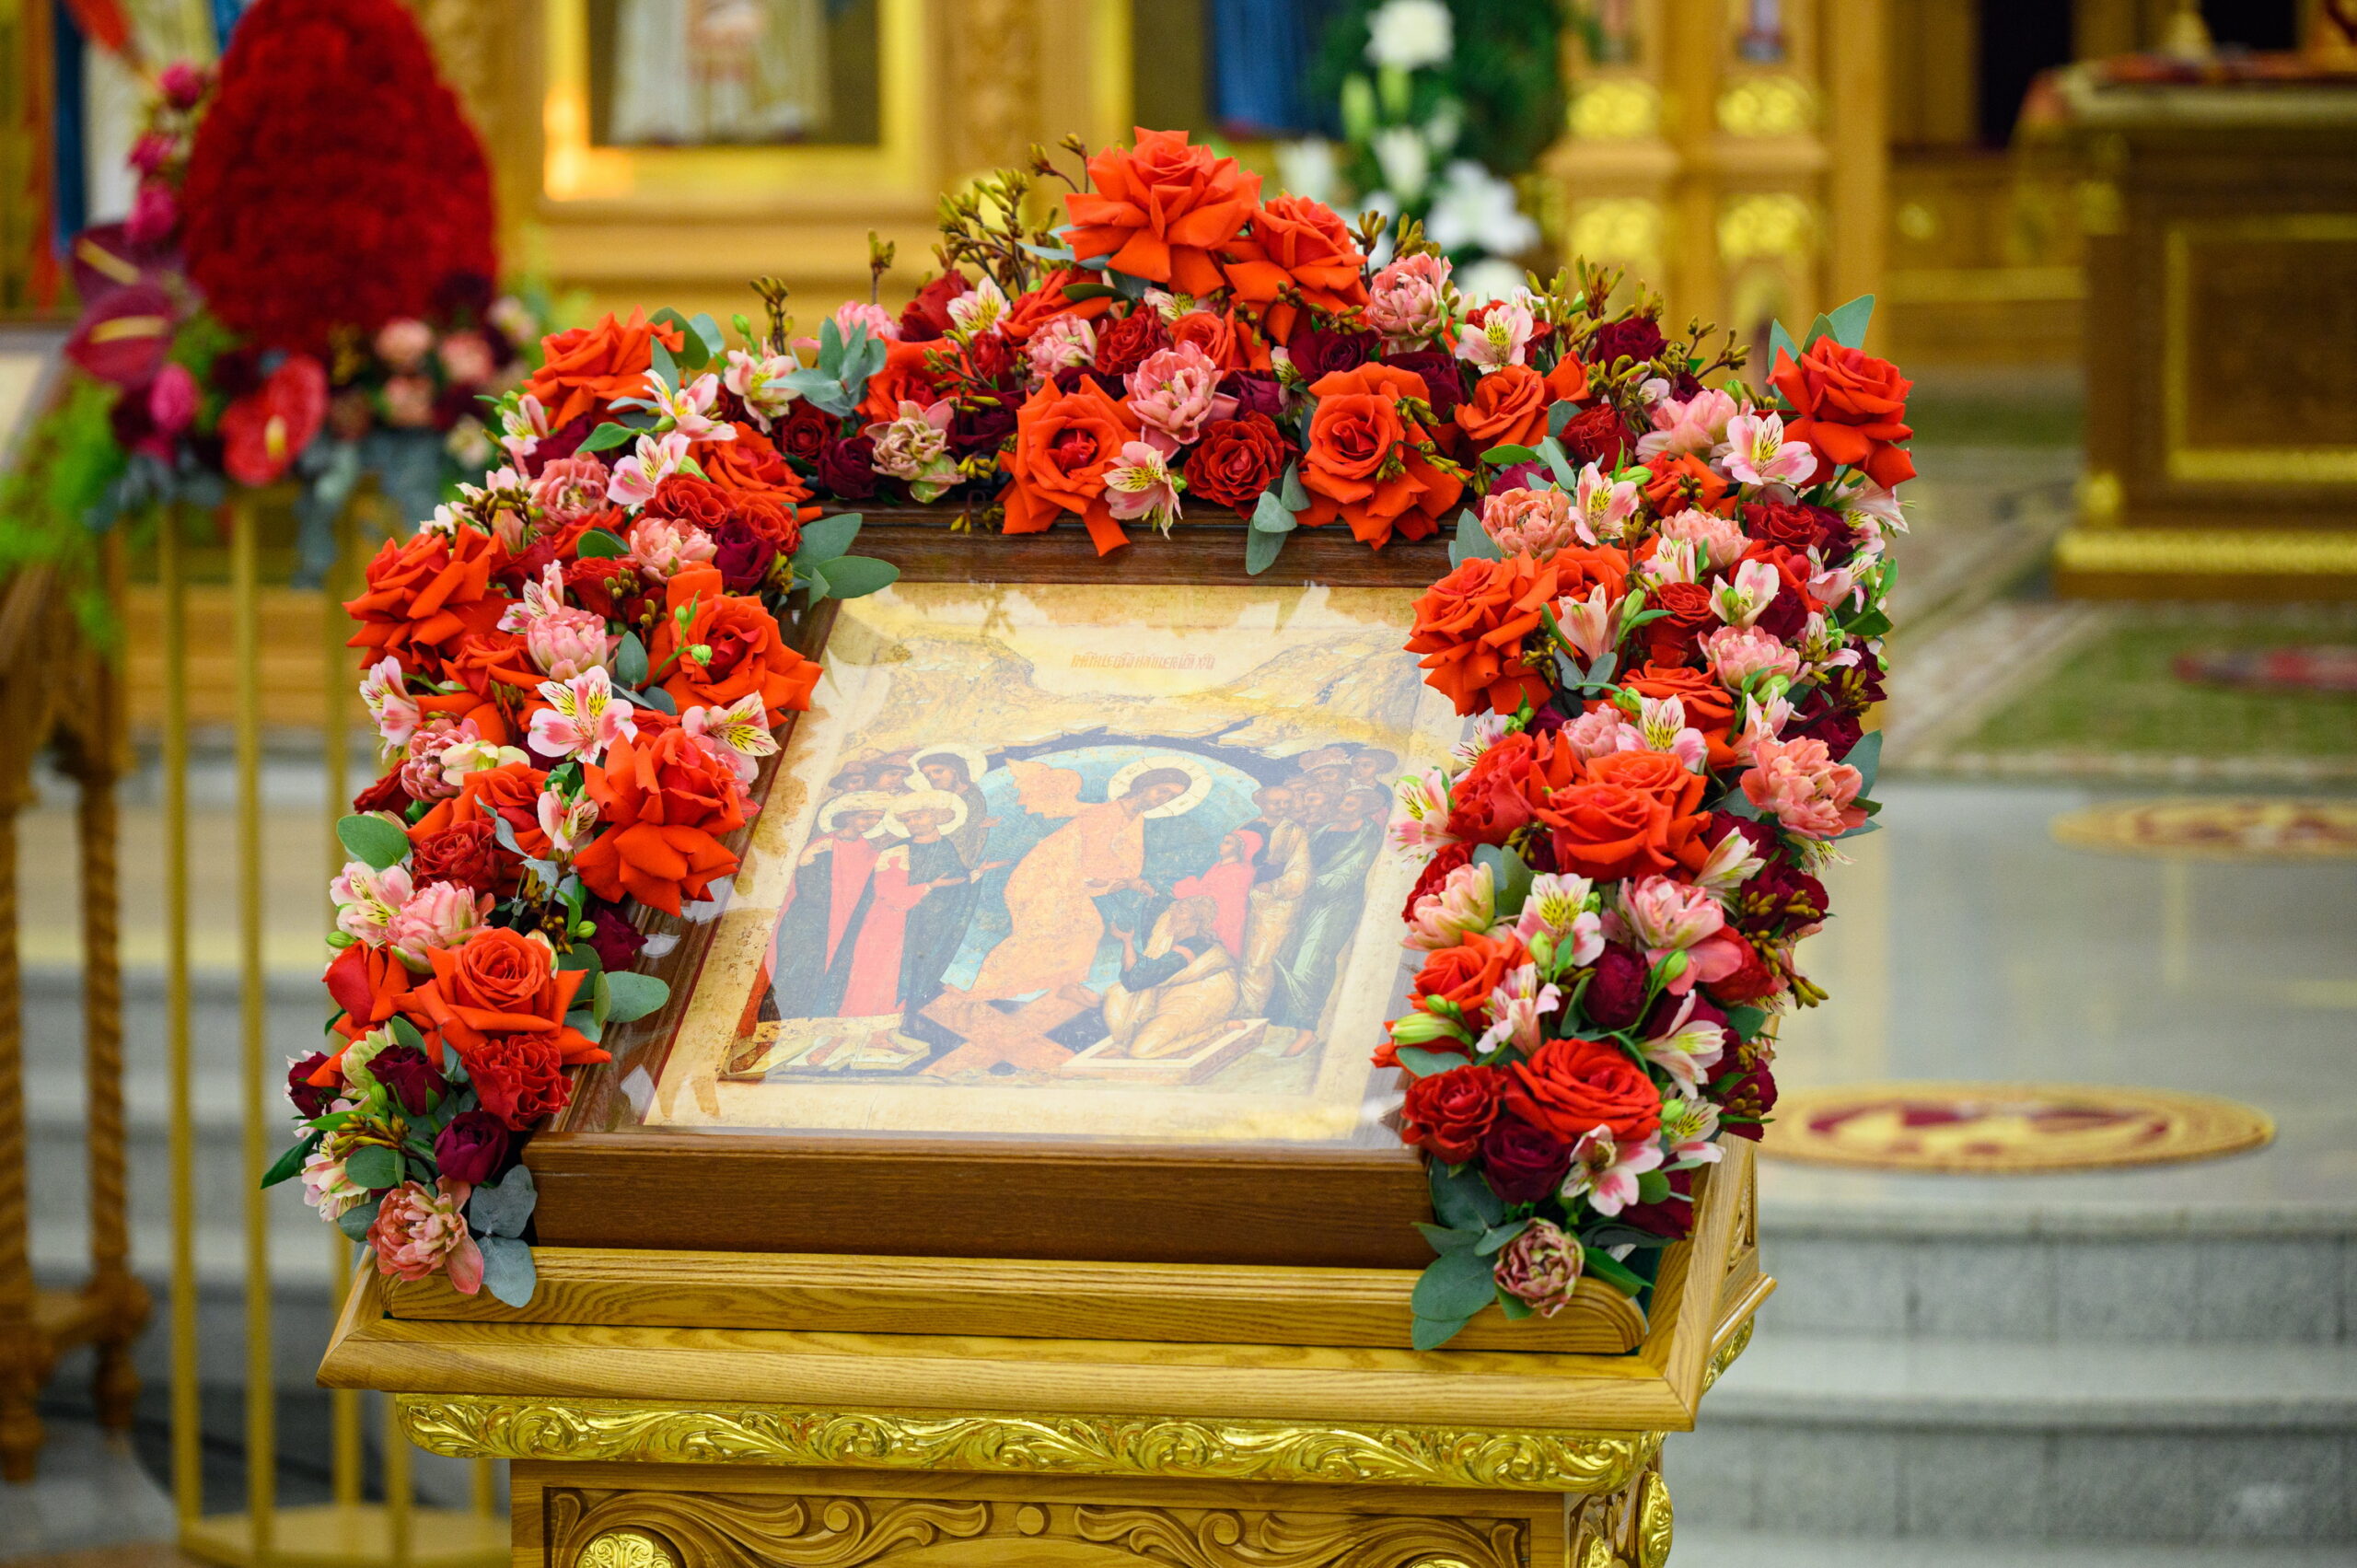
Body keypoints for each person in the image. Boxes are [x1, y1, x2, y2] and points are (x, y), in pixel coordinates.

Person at [966, 763, 1193, 1002]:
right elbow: (1095, 861)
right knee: (1037, 933)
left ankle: (1067, 984)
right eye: (1162, 791)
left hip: (1068, 883)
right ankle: (982, 990)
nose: (1164, 799)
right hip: (1042, 879)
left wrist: (1131, 882)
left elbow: (1128, 864)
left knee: (1087, 928)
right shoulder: (1107, 813)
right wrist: (1128, 880)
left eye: (1172, 797)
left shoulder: (1135, 819)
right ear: (1145, 786)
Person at [1266, 784, 1388, 1044]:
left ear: (1365, 808)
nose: (1342, 807)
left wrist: (1311, 883)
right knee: (1285, 953)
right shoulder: (1325, 830)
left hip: (1336, 905)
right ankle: (1278, 1020)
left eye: (1349, 804)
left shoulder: (1368, 834)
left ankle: (1305, 1028)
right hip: (1306, 900)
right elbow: (1302, 860)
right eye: (1342, 802)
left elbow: (1351, 871)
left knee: (1311, 960)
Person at [772, 791, 891, 1018]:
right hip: (810, 920)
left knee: (827, 972)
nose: (873, 822)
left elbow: (869, 891)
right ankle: (780, 1016)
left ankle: (806, 1018)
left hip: (845, 923)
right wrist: (836, 906)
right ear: (848, 816)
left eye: (877, 818)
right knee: (798, 968)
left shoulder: (870, 852)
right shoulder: (823, 846)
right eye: (867, 816)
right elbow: (808, 886)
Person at [1094, 896, 1242, 1061]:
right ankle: (1123, 1044)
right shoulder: (1168, 942)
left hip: (1203, 1000)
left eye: (1182, 911)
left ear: (1196, 921)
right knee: (1117, 994)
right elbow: (1135, 978)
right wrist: (1127, 940)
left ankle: (1218, 1029)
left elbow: (1144, 977)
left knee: (1141, 1051)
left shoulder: (1195, 945)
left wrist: (1127, 941)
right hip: (1172, 997)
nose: (1173, 914)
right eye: (1174, 908)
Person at [1239, 784, 1312, 1016]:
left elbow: (1301, 870)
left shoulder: (1294, 832)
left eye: (1286, 802)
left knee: (1259, 960)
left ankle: (1251, 1012)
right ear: (1262, 803)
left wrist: (1273, 886)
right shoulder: (1247, 828)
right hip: (1241, 899)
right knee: (1236, 954)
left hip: (1273, 904)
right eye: (1275, 802)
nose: (1282, 807)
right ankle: (1233, 1009)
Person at [1170, 829, 1260, 959]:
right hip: (1207, 913)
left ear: (1240, 848)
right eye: (1223, 841)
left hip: (1224, 920)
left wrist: (1190, 888)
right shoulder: (1218, 865)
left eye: (1228, 843)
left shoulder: (1241, 871)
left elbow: (1220, 898)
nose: (1221, 845)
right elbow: (1204, 887)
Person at [909, 747, 995, 867]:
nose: (933, 778)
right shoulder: (941, 800)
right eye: (928, 775)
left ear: (955, 770)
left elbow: (958, 839)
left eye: (938, 771)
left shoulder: (973, 798)